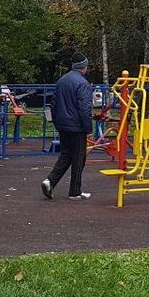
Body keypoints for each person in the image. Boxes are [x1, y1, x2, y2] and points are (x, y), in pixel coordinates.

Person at [41, 53, 94, 200]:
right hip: (76, 126)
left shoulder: (62, 80)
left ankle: (50, 181)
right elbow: (84, 108)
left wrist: (57, 122)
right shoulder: (82, 83)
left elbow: (53, 103)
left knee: (66, 154)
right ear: (84, 67)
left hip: (63, 125)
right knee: (79, 158)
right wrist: (88, 129)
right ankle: (75, 192)